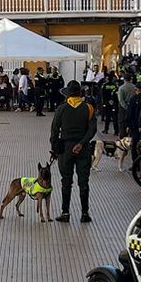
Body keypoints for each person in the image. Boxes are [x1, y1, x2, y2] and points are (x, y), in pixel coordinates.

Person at [49, 81, 99, 223]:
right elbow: (92, 129)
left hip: (65, 149)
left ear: (68, 95)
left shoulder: (61, 109)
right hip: (83, 149)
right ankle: (84, 213)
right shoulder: (88, 108)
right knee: (83, 182)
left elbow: (54, 130)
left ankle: (65, 213)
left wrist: (54, 148)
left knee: (66, 181)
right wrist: (82, 143)